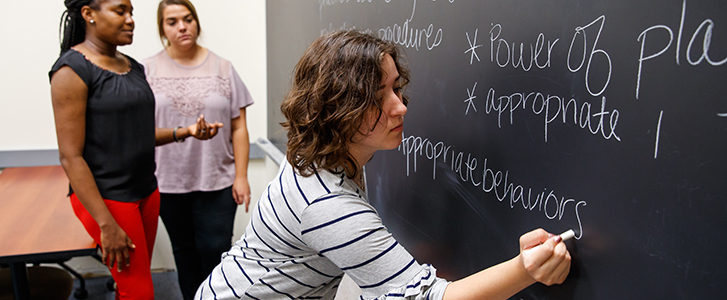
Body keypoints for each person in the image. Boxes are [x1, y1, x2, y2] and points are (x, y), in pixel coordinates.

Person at [195, 30, 571, 300]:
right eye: (378, 98)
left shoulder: (319, 153)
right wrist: (525, 269)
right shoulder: (326, 204)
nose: (401, 106)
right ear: (339, 108)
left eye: (396, 87)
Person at [50, 0, 221, 299]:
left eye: (131, 12)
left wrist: (185, 132)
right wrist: (107, 225)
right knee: (139, 291)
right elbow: (70, 156)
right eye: (120, 11)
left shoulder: (133, 67)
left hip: (146, 192)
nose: (130, 20)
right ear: (89, 14)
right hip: (109, 198)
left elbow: (137, 136)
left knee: (130, 285)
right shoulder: (71, 70)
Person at [141, 0, 255, 299]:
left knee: (216, 250)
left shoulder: (223, 67)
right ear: (162, 28)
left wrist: (241, 176)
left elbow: (240, 127)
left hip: (217, 179)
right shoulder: (147, 70)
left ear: (197, 22)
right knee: (184, 252)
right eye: (172, 21)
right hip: (168, 181)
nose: (182, 26)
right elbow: (139, 130)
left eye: (188, 19)